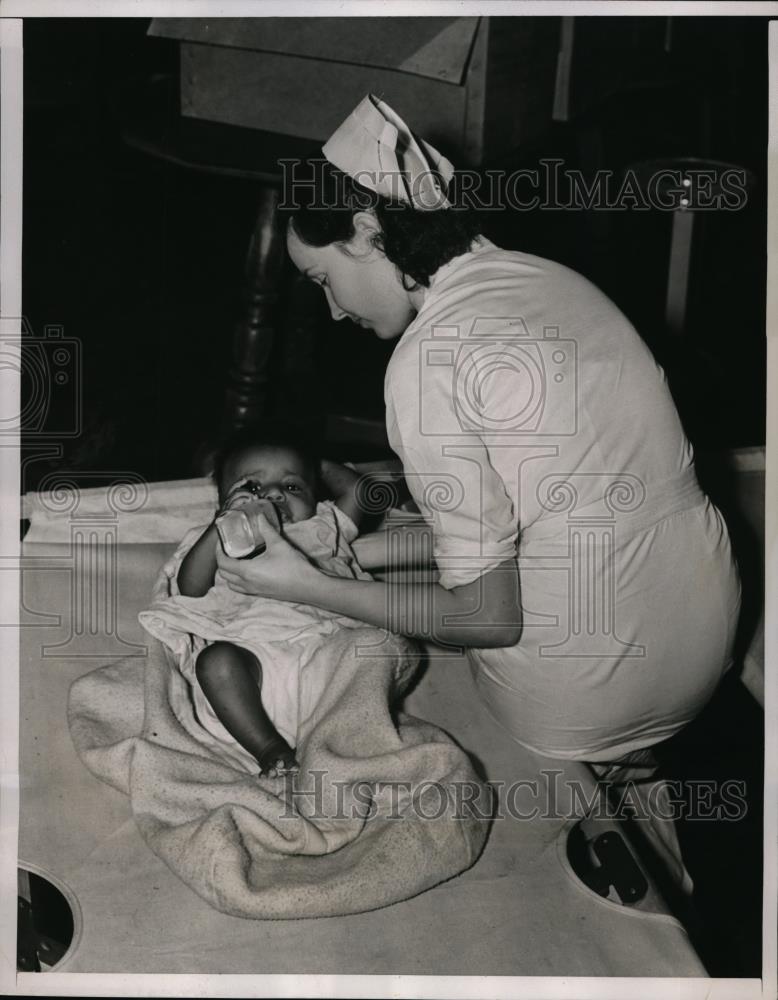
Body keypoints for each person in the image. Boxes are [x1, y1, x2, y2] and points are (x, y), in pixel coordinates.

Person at [215, 96, 741, 884]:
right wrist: (365, 547)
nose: (331, 309)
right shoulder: (548, 280)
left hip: (588, 693)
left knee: (415, 655)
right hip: (709, 632)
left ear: (367, 232)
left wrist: (314, 588)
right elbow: (551, 520)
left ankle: (586, 793)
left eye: (324, 279)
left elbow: (489, 617)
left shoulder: (425, 366)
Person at [139, 425, 376, 777]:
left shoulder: (325, 525)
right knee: (215, 661)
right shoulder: (222, 536)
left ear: (316, 498)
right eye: (252, 486)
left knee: (376, 647)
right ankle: (269, 749)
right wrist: (222, 525)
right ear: (222, 504)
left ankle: (340, 744)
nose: (274, 495)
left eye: (292, 486)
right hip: (253, 669)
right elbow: (190, 589)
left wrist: (312, 463)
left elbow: (359, 490)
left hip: (326, 654)